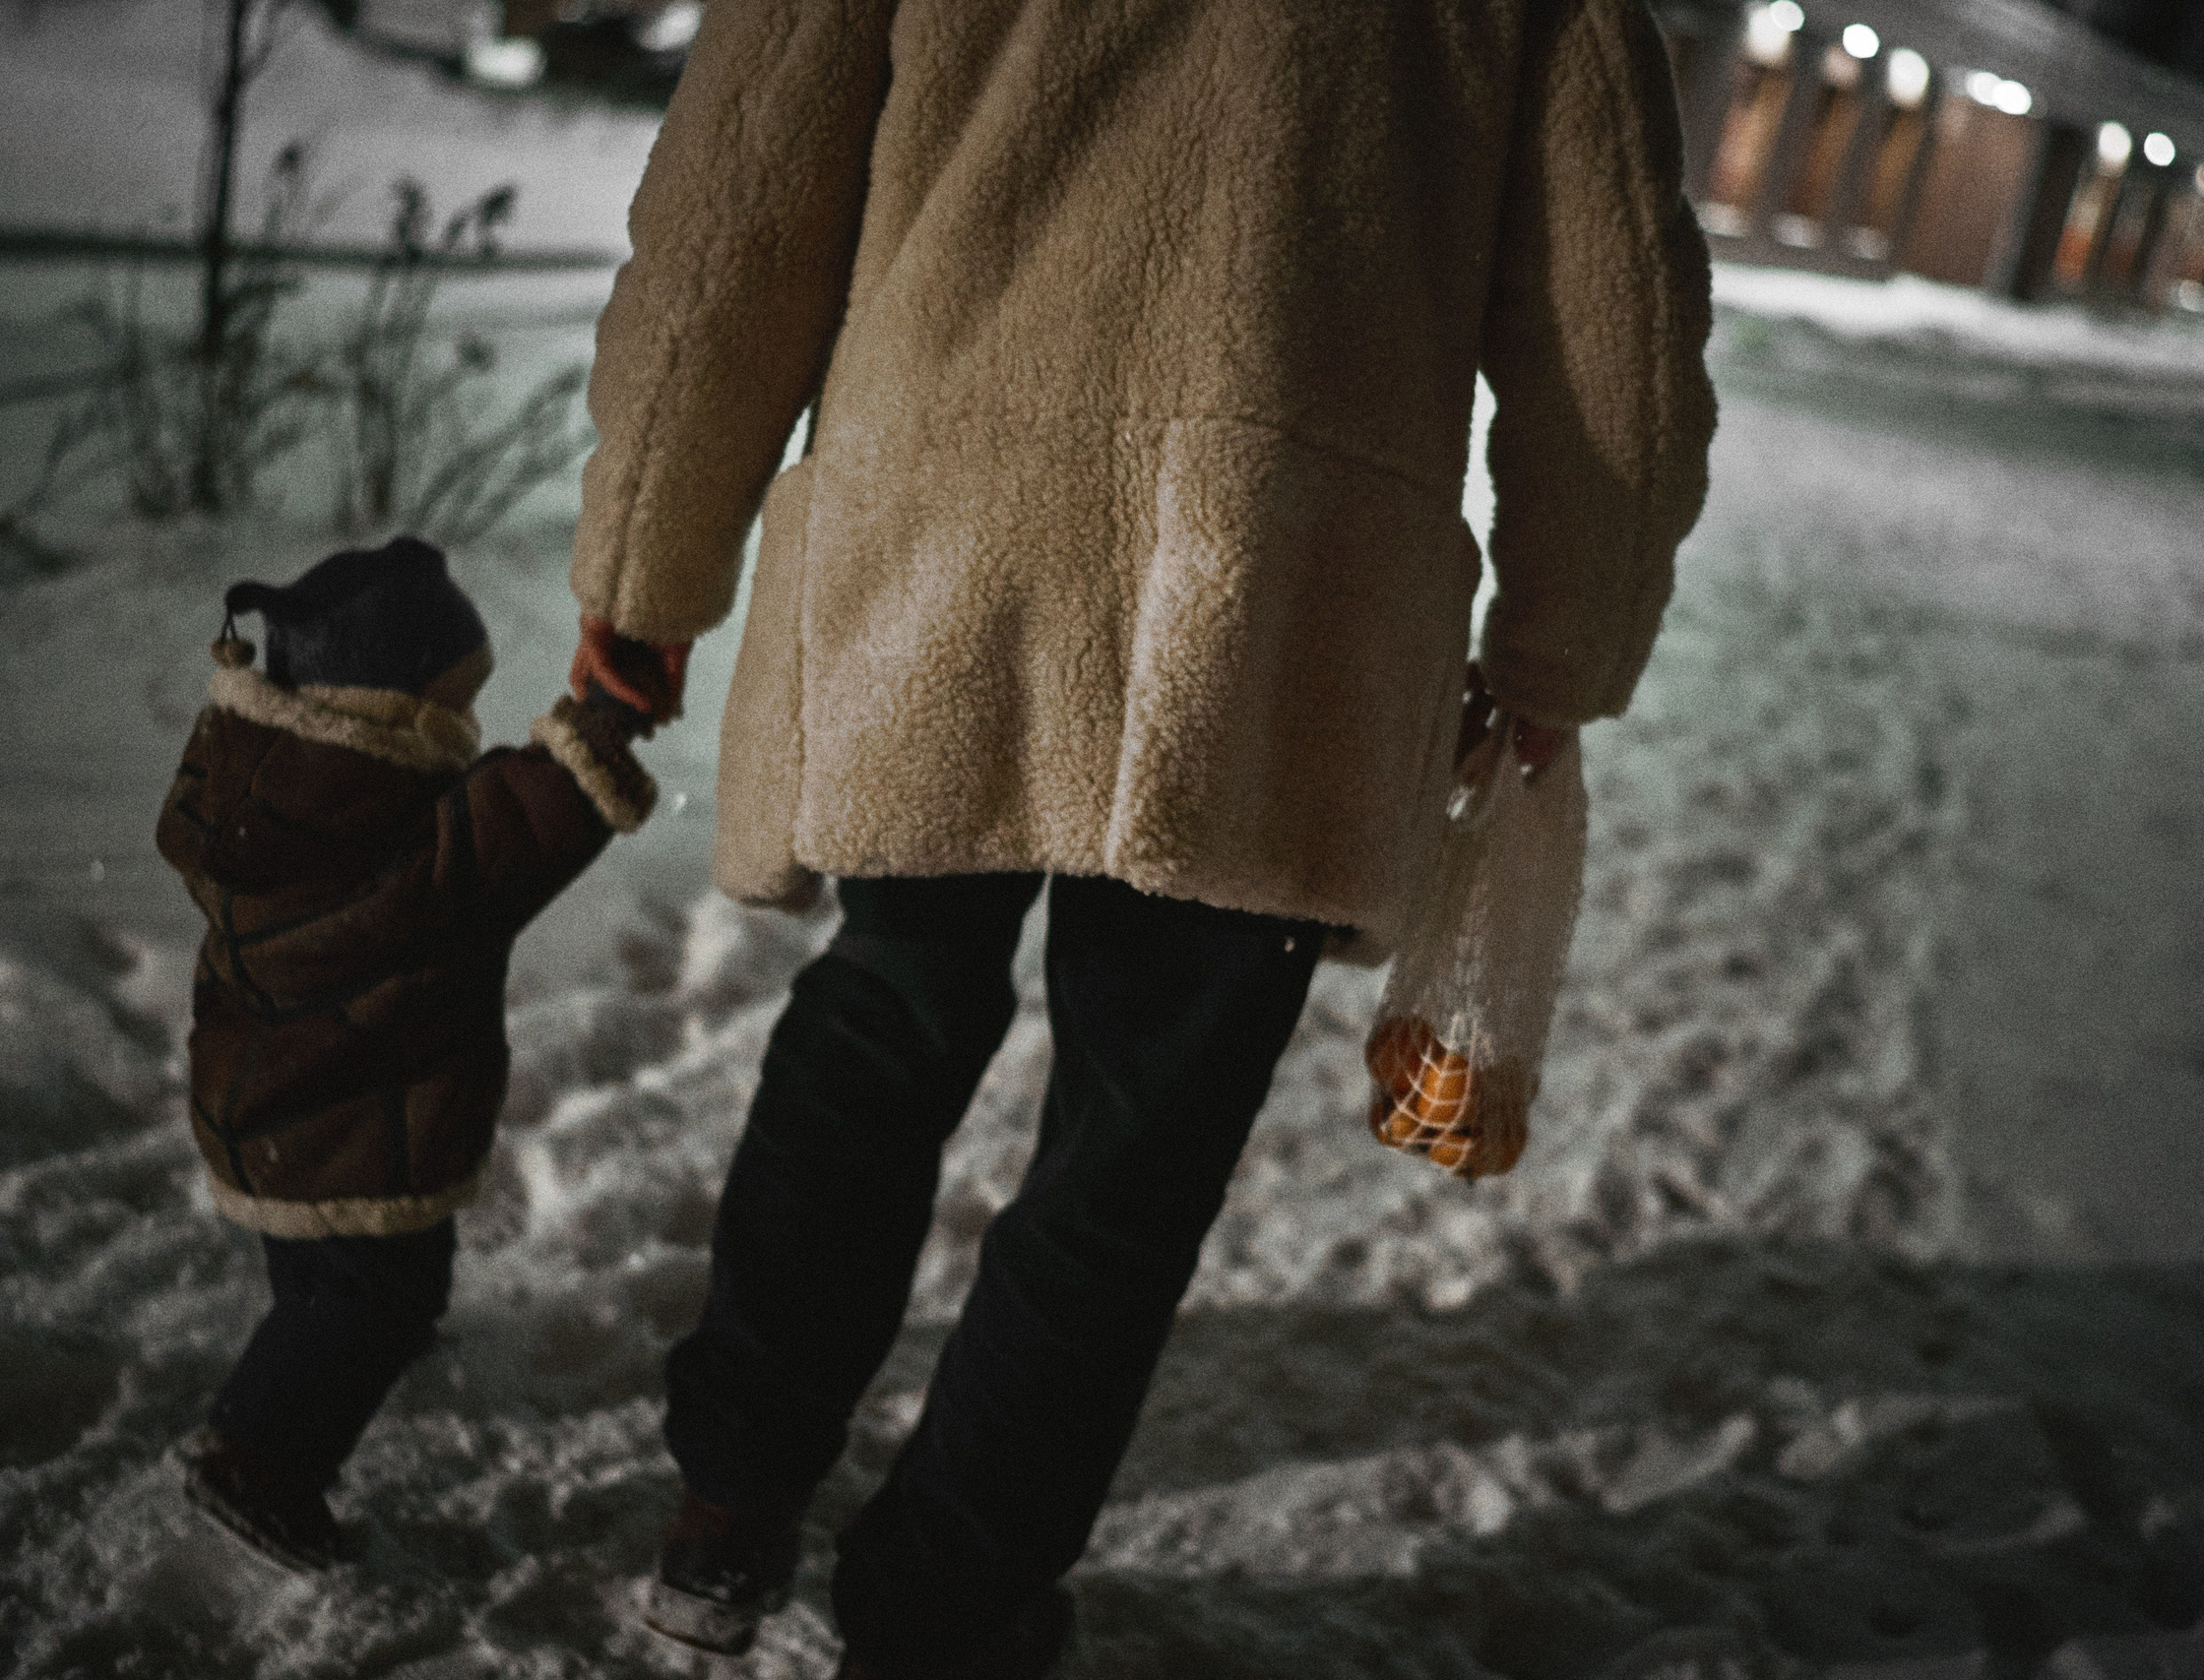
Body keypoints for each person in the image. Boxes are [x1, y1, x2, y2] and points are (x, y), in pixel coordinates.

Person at [568, 0, 1717, 1672]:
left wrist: (650, 555)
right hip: (1285, 608)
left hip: (943, 531)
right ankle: (951, 1597)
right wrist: (1564, 643)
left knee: (882, 1018)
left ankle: (730, 1502)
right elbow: (1612, 303)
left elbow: (743, 192)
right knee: (1138, 1143)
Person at [157, 535, 659, 1571]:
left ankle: (316, 1359)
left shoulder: (270, 795)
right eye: (444, 705)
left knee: (316, 1274)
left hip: (273, 1117)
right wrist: (607, 722)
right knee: (379, 1291)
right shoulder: (387, 838)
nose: (460, 729)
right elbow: (516, 824)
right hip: (353, 1127)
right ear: (381, 704)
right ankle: (257, 1458)